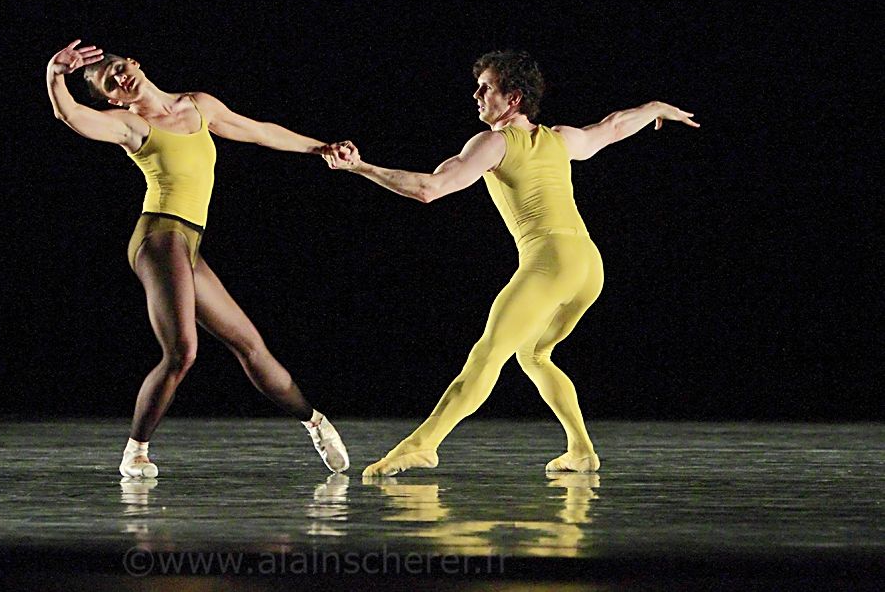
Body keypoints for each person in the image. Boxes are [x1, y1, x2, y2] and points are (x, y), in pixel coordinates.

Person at [325, 50, 698, 476]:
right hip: (588, 266)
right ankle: (581, 450)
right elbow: (613, 127)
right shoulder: (560, 138)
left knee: (488, 354)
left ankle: (423, 444)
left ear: (514, 98)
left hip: (550, 262)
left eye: (486, 88)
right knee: (535, 354)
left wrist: (360, 167)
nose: (476, 95)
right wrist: (655, 108)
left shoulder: (495, 142)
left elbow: (431, 188)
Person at [45, 39, 350, 478]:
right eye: (110, 83)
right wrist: (55, 75)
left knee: (251, 346)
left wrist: (321, 148)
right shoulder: (130, 125)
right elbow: (71, 115)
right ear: (114, 100)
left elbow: (259, 131)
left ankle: (315, 422)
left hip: (188, 243)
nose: (120, 79)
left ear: (134, 62)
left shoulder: (198, 105)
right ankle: (136, 452)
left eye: (118, 68)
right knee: (182, 351)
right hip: (158, 237)